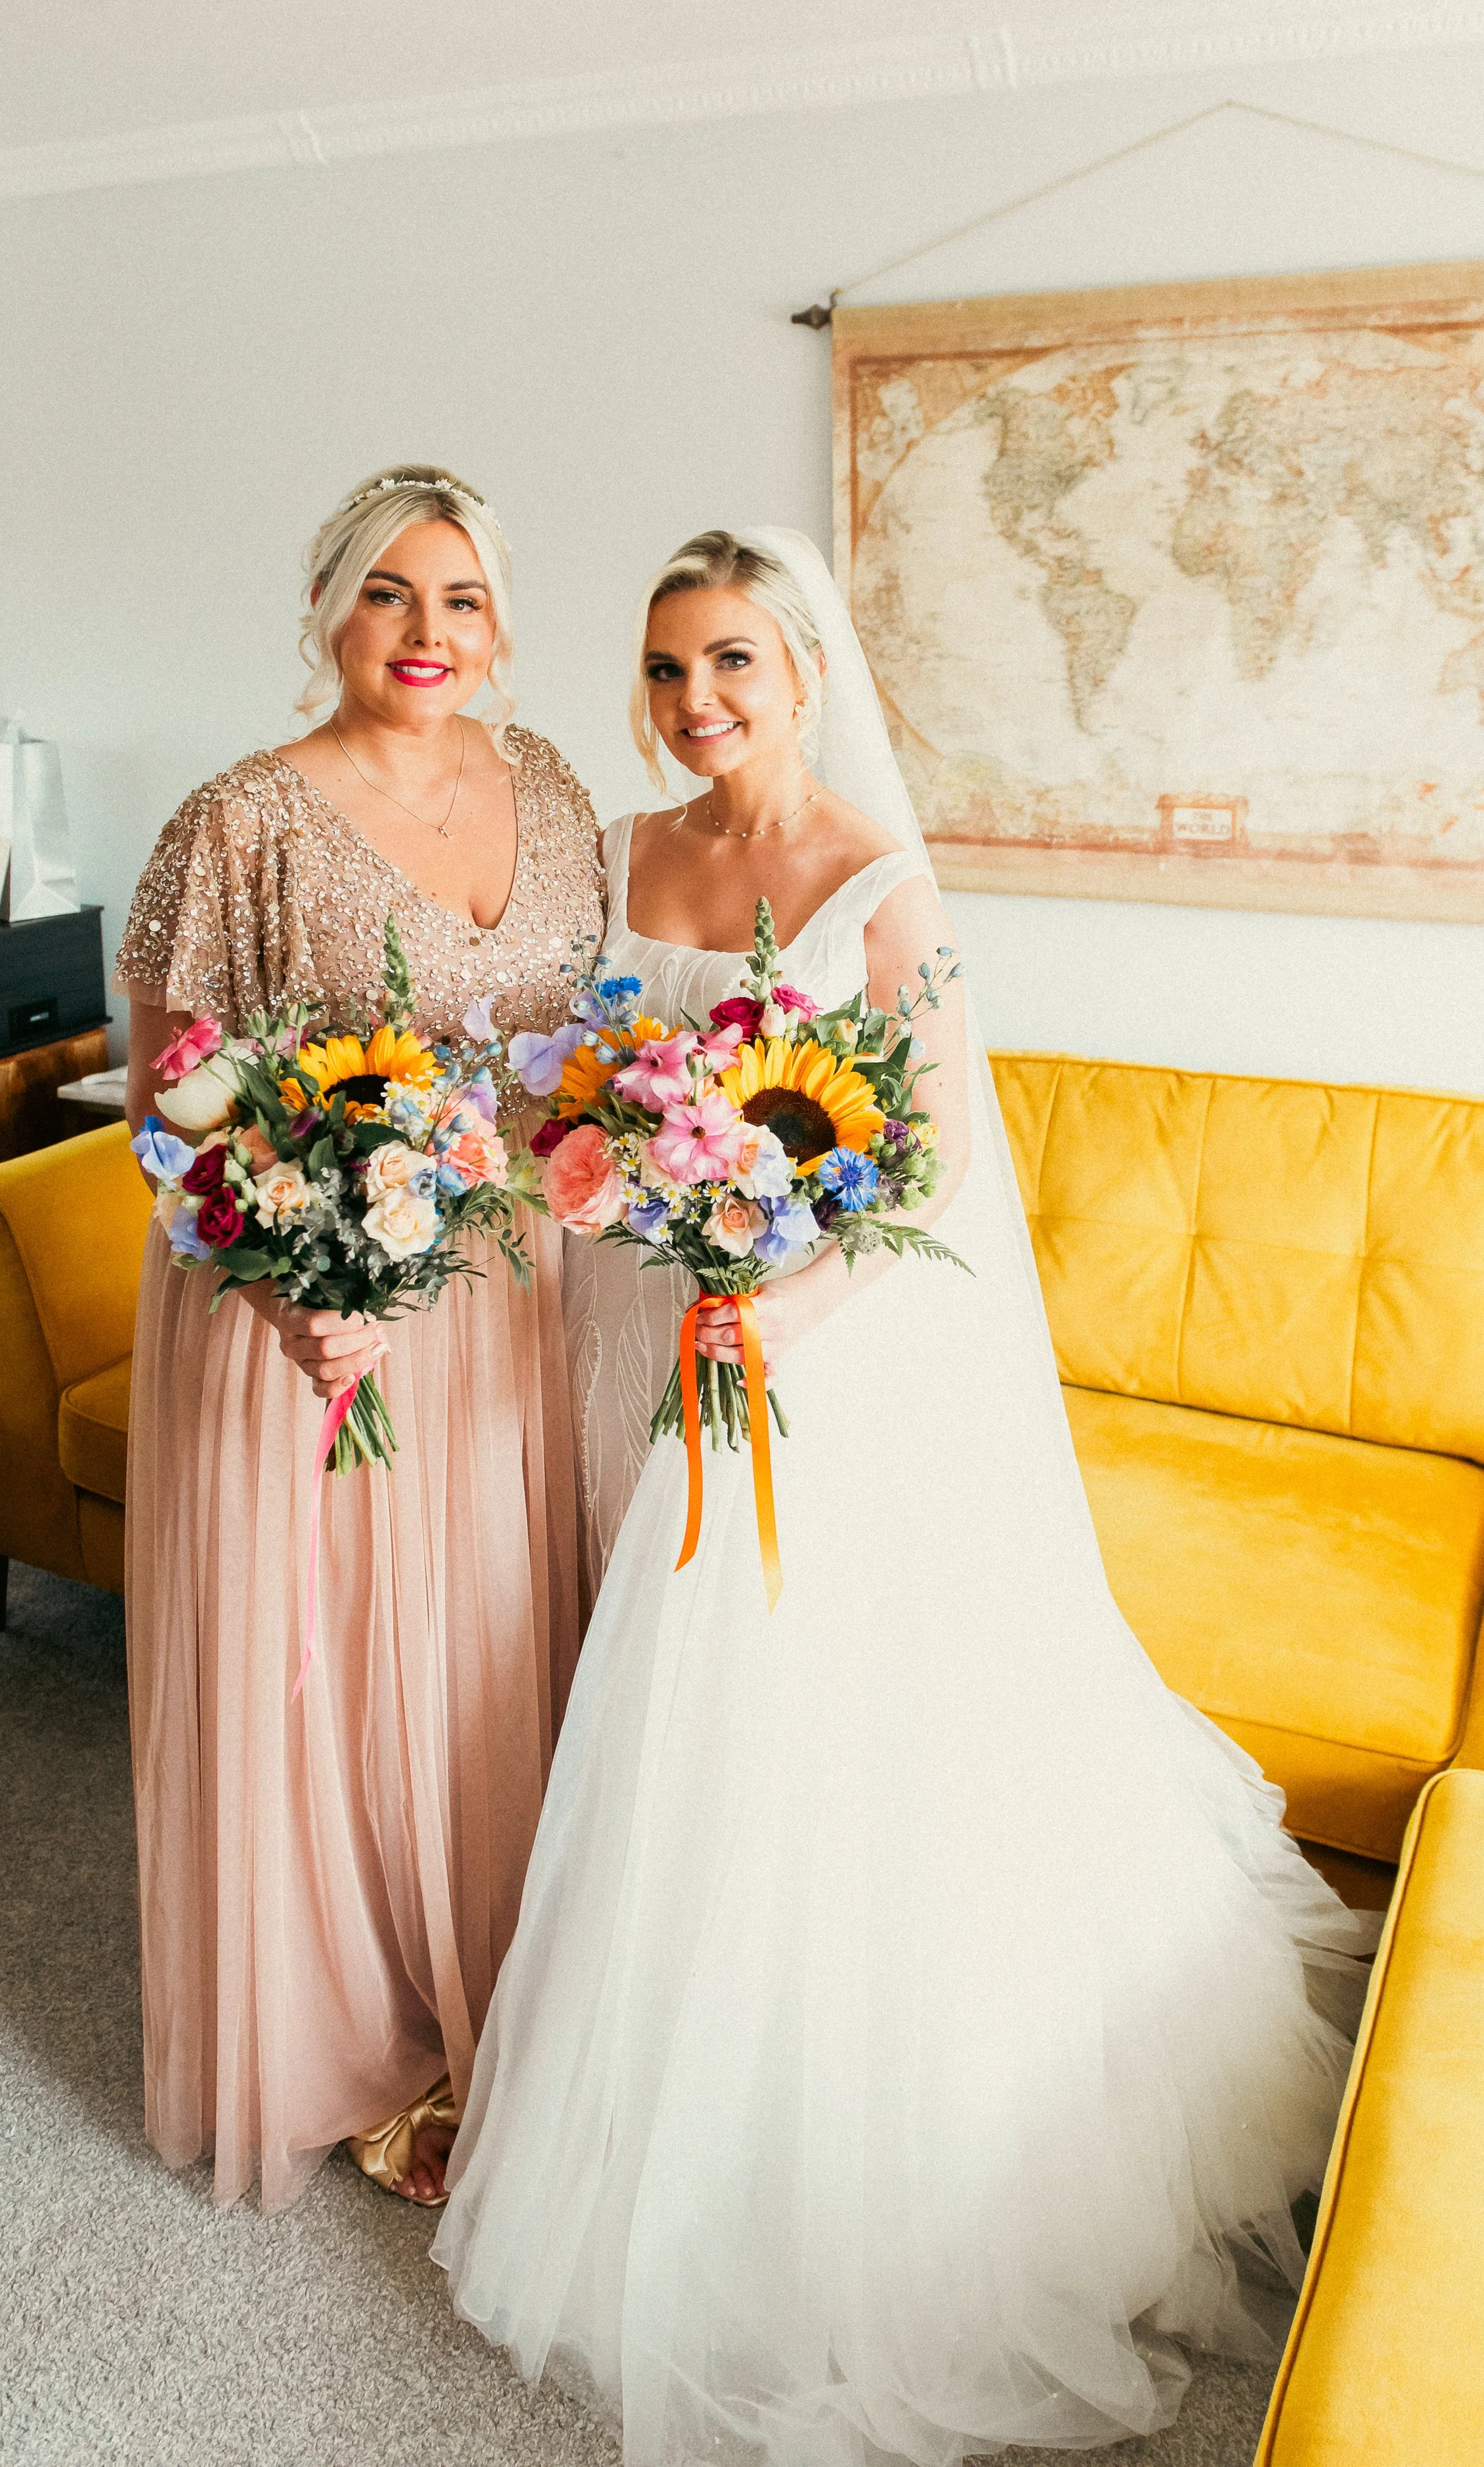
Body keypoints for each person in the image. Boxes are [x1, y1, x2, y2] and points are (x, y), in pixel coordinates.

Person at [433, 528, 1378, 2462]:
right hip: (652, 1316)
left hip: (819, 1354)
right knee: (659, 1703)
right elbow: (575, 1077)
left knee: (802, 1716)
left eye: (730, 667)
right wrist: (587, 1167)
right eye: (667, 666)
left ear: (800, 671)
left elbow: (929, 1166)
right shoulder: (624, 851)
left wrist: (774, 1302)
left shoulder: (884, 883)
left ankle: (845, 2165)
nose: (696, 703)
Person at [116, 465, 601, 2212]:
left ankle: (490, 1992)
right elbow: (172, 1100)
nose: (424, 632)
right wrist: (291, 1282)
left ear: (500, 618)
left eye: (457, 596)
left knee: (472, 1647)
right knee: (326, 1663)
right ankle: (340, 2034)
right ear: (327, 607)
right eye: (387, 593)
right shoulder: (238, 818)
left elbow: (570, 1051)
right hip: (300, 1305)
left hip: (496, 1299)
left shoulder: (551, 788)